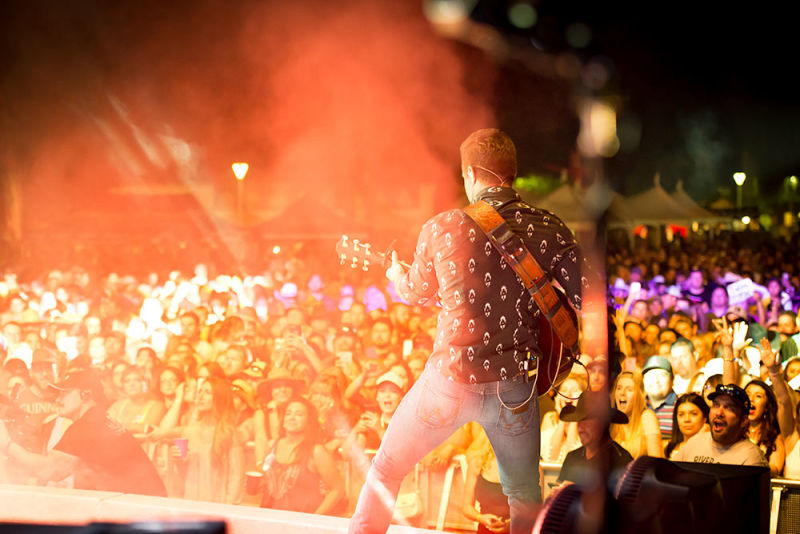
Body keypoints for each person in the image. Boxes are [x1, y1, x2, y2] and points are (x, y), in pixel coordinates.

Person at [348, 128, 589, 534]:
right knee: (523, 495)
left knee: (387, 468)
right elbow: (590, 297)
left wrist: (393, 274)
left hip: (451, 379)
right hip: (515, 386)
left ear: (472, 173)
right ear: (511, 174)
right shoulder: (550, 227)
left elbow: (416, 292)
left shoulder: (443, 226)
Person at [0, 369, 166, 496]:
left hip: (138, 511)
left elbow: (47, 470)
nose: (58, 399)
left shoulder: (85, 427)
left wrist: (7, 444)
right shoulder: (99, 420)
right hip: (144, 506)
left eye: (64, 394)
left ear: (86, 394)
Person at [672, 384, 767, 467]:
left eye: (728, 407)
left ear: (743, 420)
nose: (719, 413)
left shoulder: (750, 457)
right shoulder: (695, 442)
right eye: (716, 405)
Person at [556, 390, 633, 487]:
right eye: (579, 420)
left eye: (587, 419)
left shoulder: (621, 461)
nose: (580, 426)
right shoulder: (572, 457)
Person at [610, 371, 663, 458]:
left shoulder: (647, 417)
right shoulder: (612, 421)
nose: (622, 393)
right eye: (619, 388)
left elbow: (657, 461)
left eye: (629, 389)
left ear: (639, 395)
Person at [641, 355, 677, 441]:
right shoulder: (637, 406)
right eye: (650, 375)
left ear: (672, 380)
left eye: (662, 375)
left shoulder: (681, 407)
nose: (656, 381)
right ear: (643, 380)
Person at [665, 392, 709, 459]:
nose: (687, 419)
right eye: (681, 415)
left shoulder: (712, 447)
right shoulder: (670, 447)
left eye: (694, 414)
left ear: (705, 417)